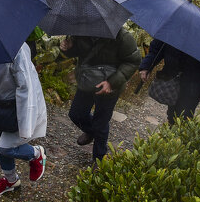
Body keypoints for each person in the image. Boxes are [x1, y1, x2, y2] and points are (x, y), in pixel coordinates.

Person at [59, 28, 141, 162]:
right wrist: (67, 49)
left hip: (109, 85)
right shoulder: (81, 29)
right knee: (76, 114)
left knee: (101, 122)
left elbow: (133, 61)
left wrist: (112, 83)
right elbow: (78, 53)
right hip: (87, 80)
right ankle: (92, 132)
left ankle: (99, 158)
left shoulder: (122, 36)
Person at [0, 44, 48, 195]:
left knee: (6, 148)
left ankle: (35, 154)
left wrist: (26, 124)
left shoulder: (17, 48)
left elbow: (26, 87)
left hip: (19, 105)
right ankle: (11, 180)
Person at [139, 38, 200, 124]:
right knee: (171, 113)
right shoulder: (172, 29)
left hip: (192, 86)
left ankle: (178, 134)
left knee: (184, 116)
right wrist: (146, 66)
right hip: (171, 79)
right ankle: (171, 130)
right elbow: (157, 49)